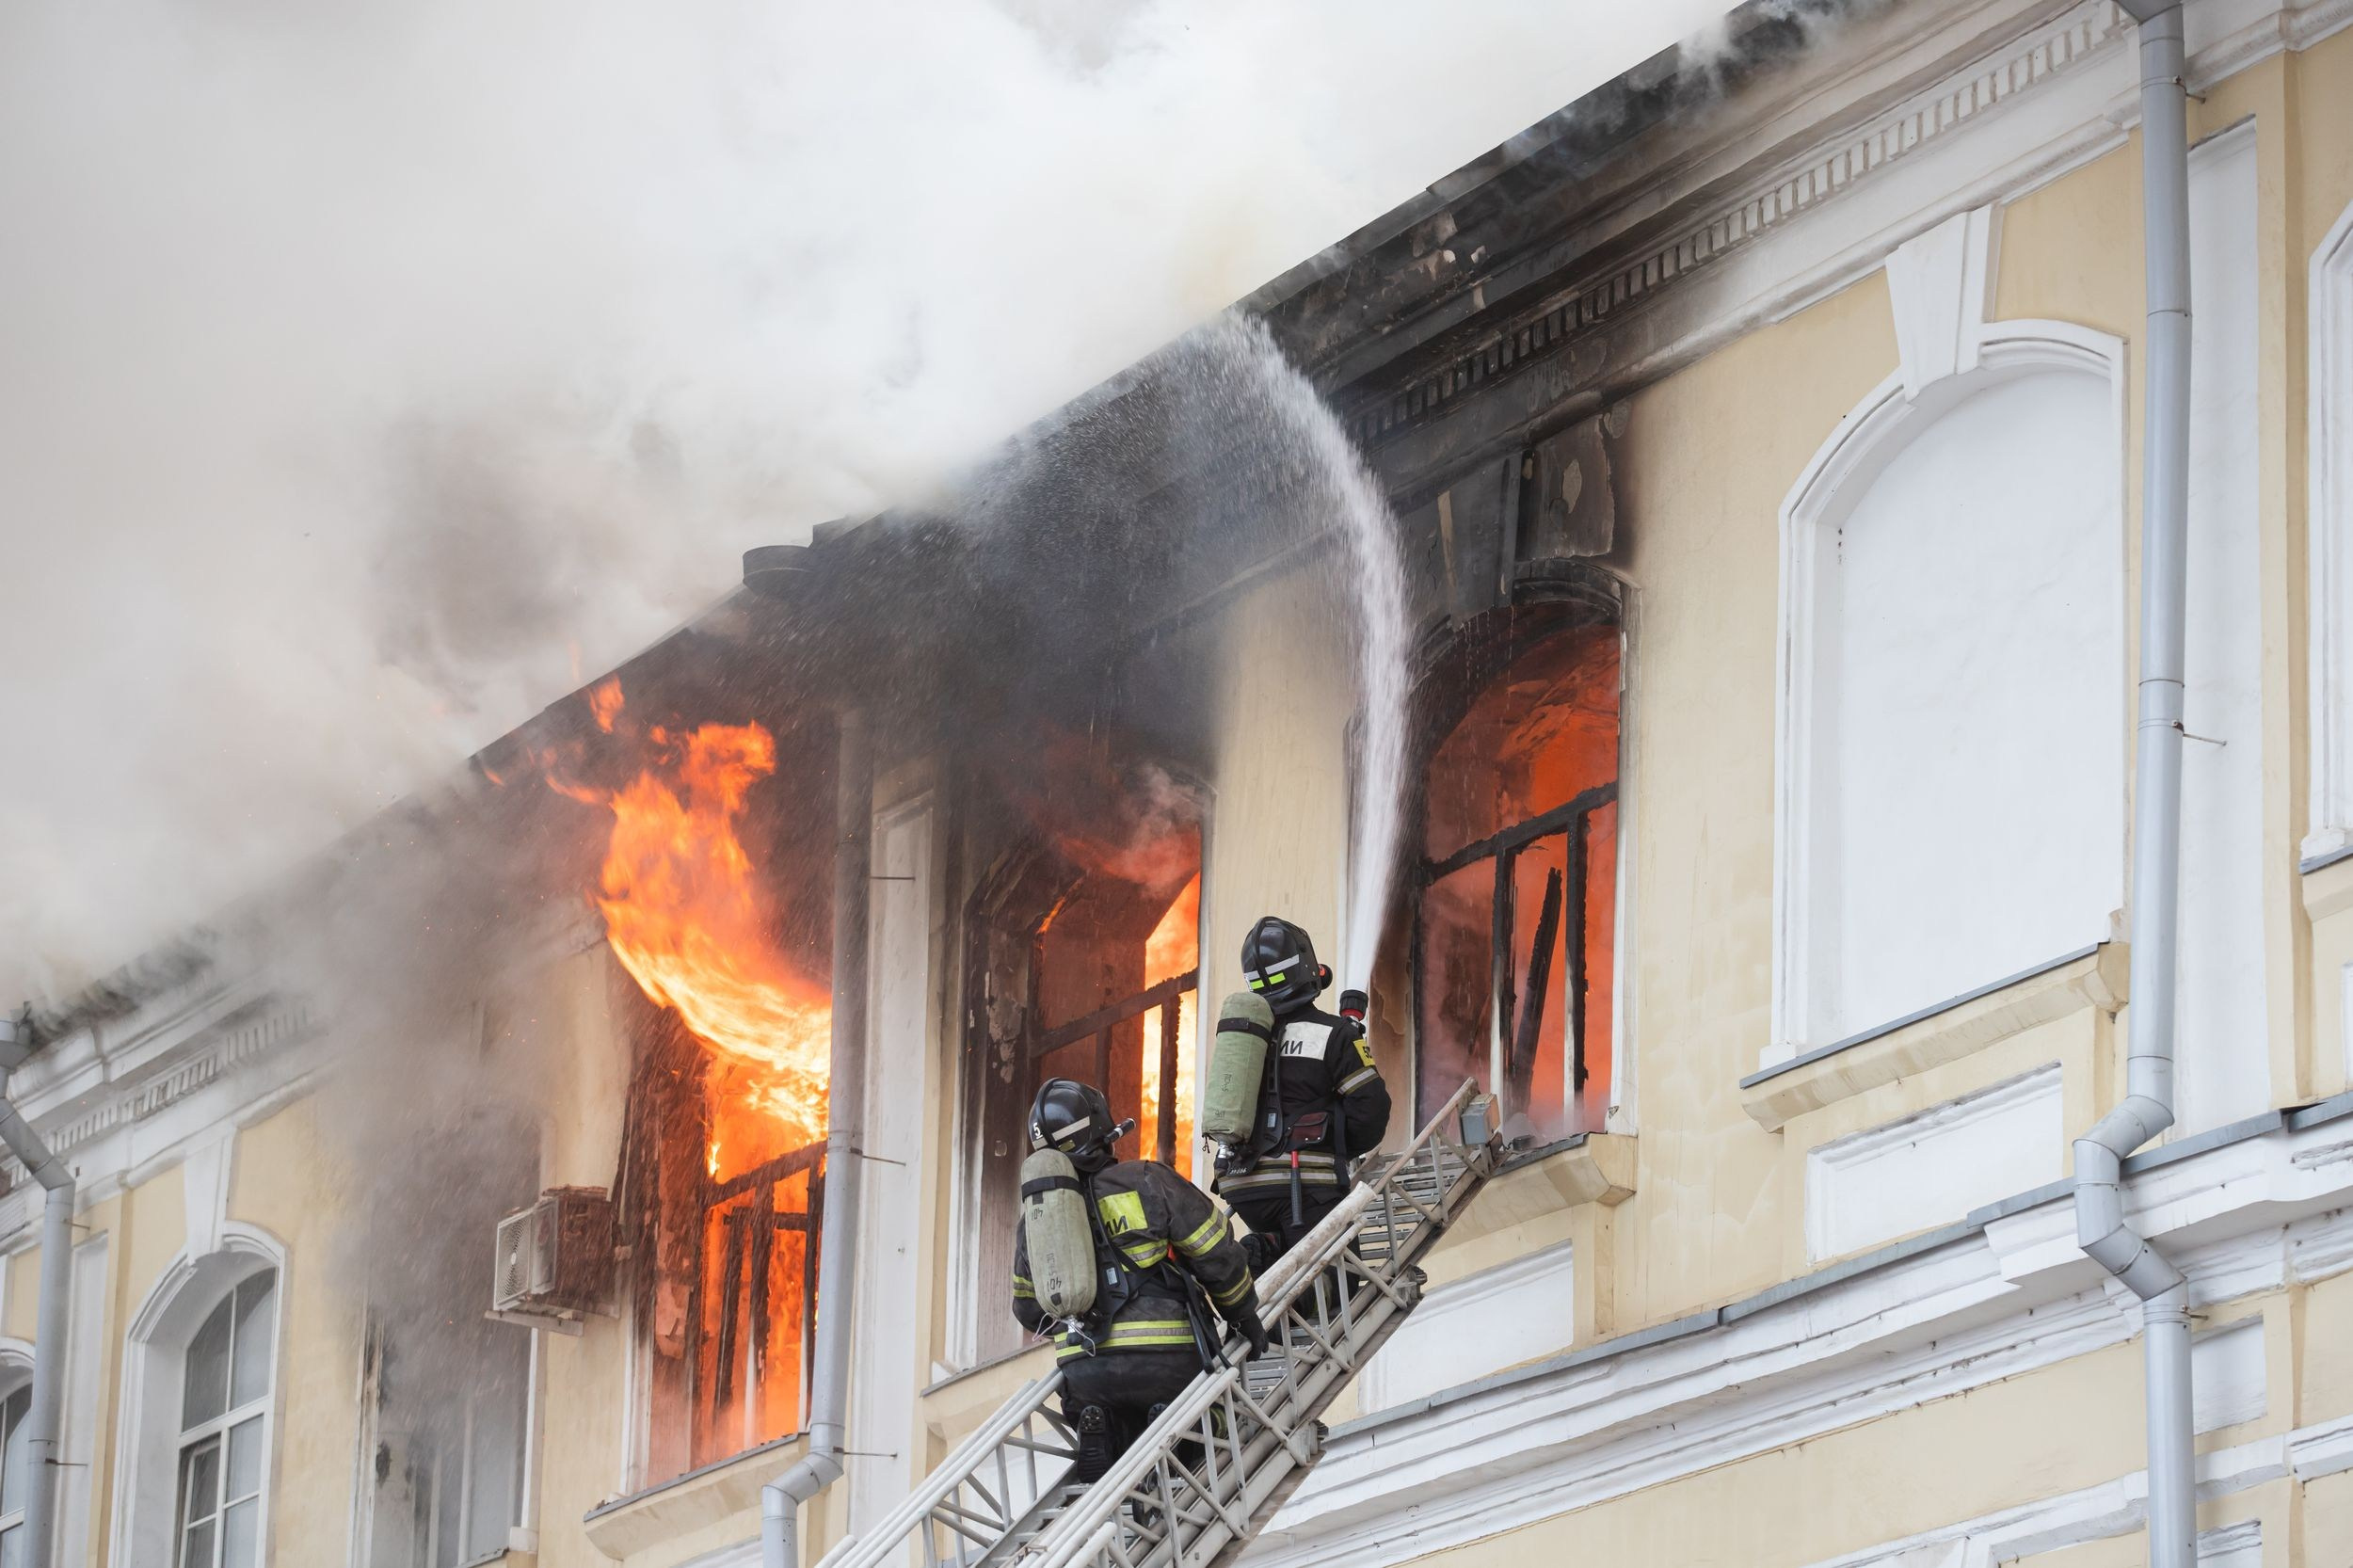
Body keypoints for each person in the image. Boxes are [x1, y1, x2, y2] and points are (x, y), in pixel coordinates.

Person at [1012, 1079, 1269, 1483]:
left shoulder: (1038, 1220)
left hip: (1085, 1370)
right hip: (1166, 1357)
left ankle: (1103, 1428)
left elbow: (1027, 1308)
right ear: (1100, 1129)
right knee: (1217, 1409)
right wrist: (1242, 1314)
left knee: (1106, 1408)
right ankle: (1184, 1432)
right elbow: (1217, 1253)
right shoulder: (1146, 1180)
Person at [1213, 916, 1393, 1272]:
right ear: (1307, 965)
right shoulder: (1335, 1034)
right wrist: (1337, 1145)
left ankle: (1264, 1249)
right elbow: (1371, 1114)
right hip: (1303, 1187)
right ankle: (1273, 1254)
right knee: (1332, 1285)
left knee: (1281, 1281)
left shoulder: (1244, 1046)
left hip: (1240, 1186)